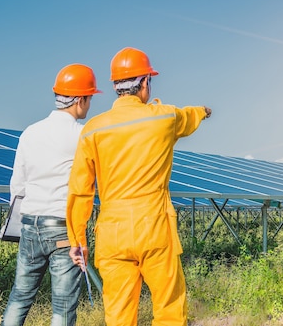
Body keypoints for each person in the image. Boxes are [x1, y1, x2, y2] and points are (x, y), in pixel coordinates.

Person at [66, 47, 212, 326]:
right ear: (145, 83)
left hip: (112, 233)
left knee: (119, 315)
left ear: (115, 87)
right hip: (155, 227)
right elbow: (188, 116)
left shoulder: (93, 129)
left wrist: (77, 241)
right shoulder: (164, 118)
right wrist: (203, 112)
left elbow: (80, 190)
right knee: (169, 309)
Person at [1, 63, 102, 326]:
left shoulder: (30, 133)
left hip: (30, 224)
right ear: (80, 99)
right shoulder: (82, 135)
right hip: (62, 229)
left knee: (20, 297)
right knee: (63, 307)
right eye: (89, 98)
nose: (89, 104)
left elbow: (18, 185)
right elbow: (94, 180)